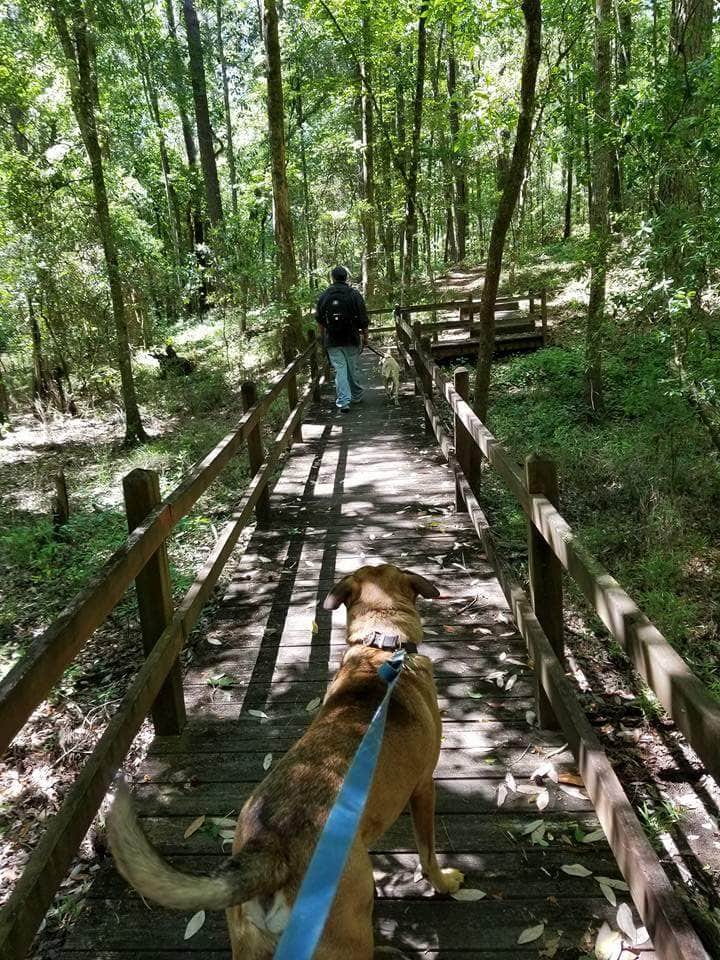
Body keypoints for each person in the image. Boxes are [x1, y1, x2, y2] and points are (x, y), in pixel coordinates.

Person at [315, 266, 369, 412]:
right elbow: (363, 318)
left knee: (340, 370)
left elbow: (319, 320)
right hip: (351, 338)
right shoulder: (354, 294)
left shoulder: (324, 296)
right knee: (352, 368)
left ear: (332, 278)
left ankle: (344, 401)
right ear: (346, 278)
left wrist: (322, 338)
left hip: (332, 340)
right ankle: (356, 395)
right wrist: (366, 336)